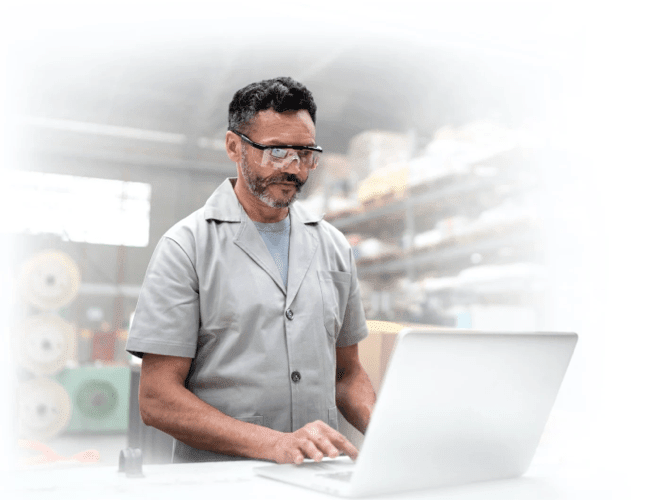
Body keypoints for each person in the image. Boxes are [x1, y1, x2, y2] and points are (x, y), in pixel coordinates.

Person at [126, 77, 376, 464]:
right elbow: (157, 398)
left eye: (305, 152)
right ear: (234, 147)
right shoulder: (187, 247)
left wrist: (387, 432)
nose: (293, 167)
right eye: (276, 151)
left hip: (318, 477)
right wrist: (272, 443)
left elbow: (347, 375)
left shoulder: (333, 247)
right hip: (223, 481)